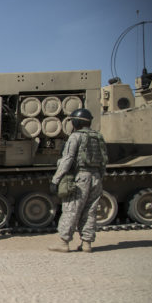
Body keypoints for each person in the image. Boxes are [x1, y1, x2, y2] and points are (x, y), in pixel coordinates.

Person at [48, 108, 108, 253]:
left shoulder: (76, 137)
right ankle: (87, 243)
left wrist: (56, 180)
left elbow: (67, 159)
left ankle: (64, 242)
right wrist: (99, 176)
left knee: (71, 209)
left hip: (81, 177)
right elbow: (104, 160)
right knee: (90, 211)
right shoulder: (98, 136)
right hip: (96, 178)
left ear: (76, 122)